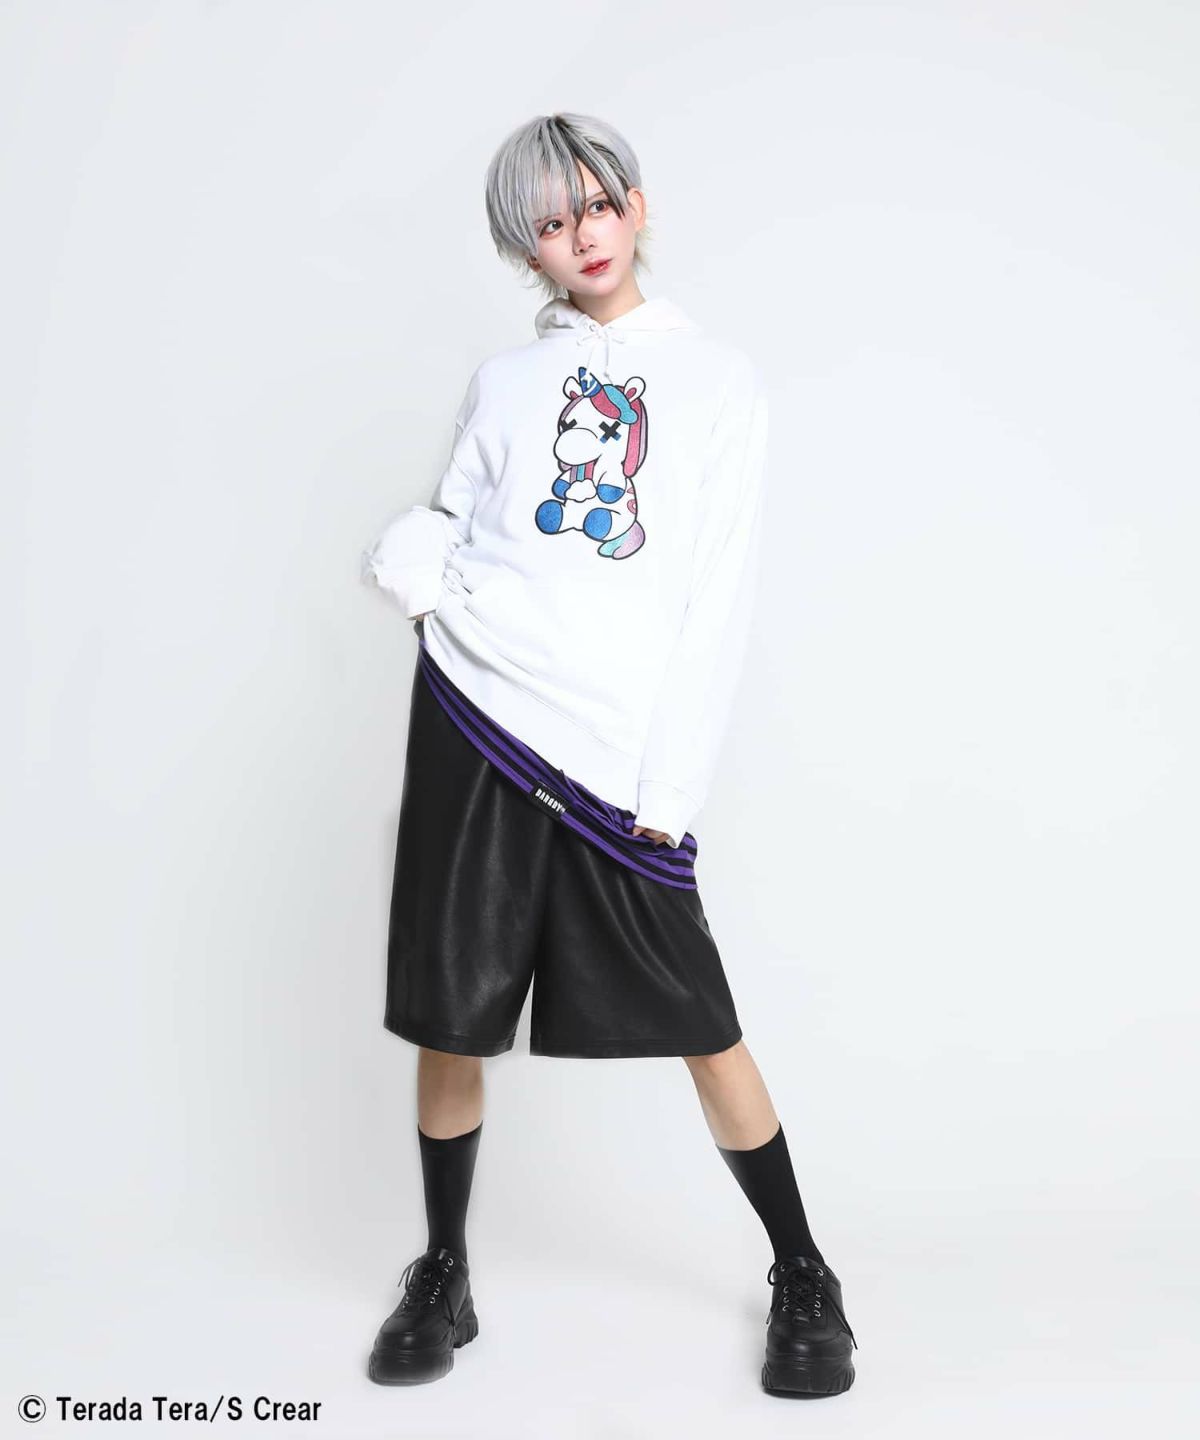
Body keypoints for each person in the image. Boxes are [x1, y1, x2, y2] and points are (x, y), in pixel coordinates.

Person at [359, 112, 858, 1399]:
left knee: (702, 1020)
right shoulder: (506, 382)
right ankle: (444, 1268)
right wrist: (421, 577)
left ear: (636, 207)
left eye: (594, 204)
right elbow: (450, 519)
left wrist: (667, 789)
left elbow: (715, 598)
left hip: (611, 752)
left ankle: (804, 1270)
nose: (579, 235)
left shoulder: (718, 381)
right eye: (549, 220)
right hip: (476, 709)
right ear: (524, 248)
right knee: (454, 1010)